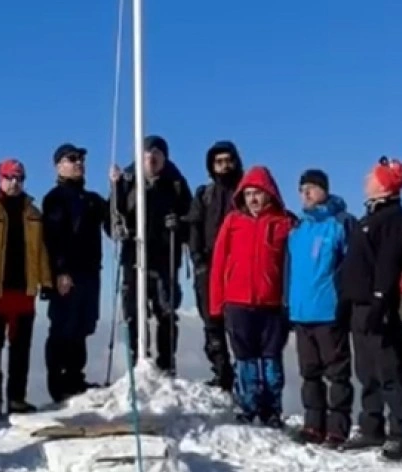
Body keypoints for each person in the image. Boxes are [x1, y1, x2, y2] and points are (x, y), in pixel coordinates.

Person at [341, 157, 402, 460]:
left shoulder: (394, 218)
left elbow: (388, 262)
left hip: (379, 306)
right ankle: (371, 426)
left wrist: (380, 299)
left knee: (389, 369)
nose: (365, 179)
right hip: (359, 304)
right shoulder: (370, 216)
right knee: (366, 370)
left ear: (384, 184)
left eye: (372, 176)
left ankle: (400, 433)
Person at [209, 165, 293, 427]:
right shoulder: (233, 221)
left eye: (258, 193)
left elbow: (293, 265)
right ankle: (248, 406)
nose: (253, 199)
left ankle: (271, 409)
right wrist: (216, 303)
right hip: (238, 302)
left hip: (272, 304)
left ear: (269, 194)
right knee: (244, 358)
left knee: (271, 359)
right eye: (248, 194)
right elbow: (219, 262)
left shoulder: (284, 223)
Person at [109, 135, 193, 374]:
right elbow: (113, 215)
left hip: (165, 257)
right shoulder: (126, 181)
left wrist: (179, 224)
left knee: (166, 311)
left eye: (156, 155)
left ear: (164, 158)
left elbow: (190, 219)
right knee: (133, 311)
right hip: (134, 257)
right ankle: (138, 360)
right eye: (147, 155)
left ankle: (167, 363)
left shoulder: (176, 183)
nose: (152, 159)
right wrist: (116, 224)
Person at [0, 159, 52, 419]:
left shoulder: (33, 213)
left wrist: (46, 281)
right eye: (9, 177)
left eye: (19, 177)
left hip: (24, 290)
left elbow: (40, 250)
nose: (15, 182)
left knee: (21, 349)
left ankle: (17, 398)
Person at [284, 169, 353, 447]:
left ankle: (338, 427)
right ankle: (313, 425)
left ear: (325, 190)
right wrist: (286, 304)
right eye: (302, 189)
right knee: (309, 372)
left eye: (311, 188)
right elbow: (290, 269)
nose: (306, 194)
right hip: (301, 312)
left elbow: (350, 266)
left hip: (328, 310)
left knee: (336, 372)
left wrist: (345, 302)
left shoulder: (339, 223)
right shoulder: (298, 229)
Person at [41, 144, 112, 402]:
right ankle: (58, 385)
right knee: (63, 326)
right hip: (67, 274)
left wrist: (117, 187)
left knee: (82, 326)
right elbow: (52, 237)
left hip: (90, 272)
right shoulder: (55, 198)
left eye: (81, 158)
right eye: (72, 159)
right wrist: (60, 271)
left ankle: (75, 378)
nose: (79, 162)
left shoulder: (91, 199)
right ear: (59, 165)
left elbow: (113, 223)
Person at [184, 140, 243, 391]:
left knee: (238, 323)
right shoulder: (204, 194)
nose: (224, 166)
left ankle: (244, 377)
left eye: (228, 160)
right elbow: (195, 225)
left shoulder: (244, 192)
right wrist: (197, 259)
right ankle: (222, 372)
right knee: (211, 321)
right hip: (208, 265)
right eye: (219, 161)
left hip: (237, 265)